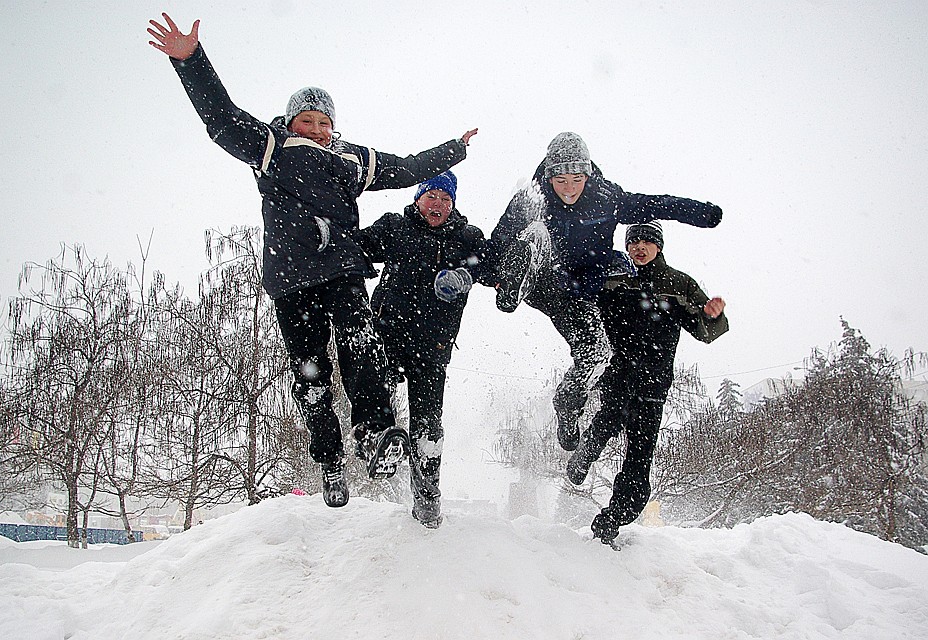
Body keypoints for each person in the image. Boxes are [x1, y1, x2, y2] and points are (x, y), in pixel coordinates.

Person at [147, 14, 478, 509]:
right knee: (312, 373)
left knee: (361, 349)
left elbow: (407, 169)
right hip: (293, 279)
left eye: (325, 122)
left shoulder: (352, 160)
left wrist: (453, 150)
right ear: (292, 121)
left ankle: (374, 434)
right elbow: (221, 119)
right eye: (309, 120)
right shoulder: (274, 148)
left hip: (342, 273)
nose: (319, 129)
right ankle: (329, 462)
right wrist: (190, 61)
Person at [487, 132, 723, 455]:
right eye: (560, 179)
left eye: (576, 179)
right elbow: (496, 243)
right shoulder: (531, 198)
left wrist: (700, 213)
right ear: (549, 175)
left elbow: (654, 204)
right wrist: (492, 277)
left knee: (597, 352)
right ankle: (515, 283)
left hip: (579, 294)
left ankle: (568, 404)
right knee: (537, 233)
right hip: (543, 283)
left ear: (587, 174)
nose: (569, 188)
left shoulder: (605, 196)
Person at [566, 221, 728, 547]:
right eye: (634, 242)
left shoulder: (678, 284)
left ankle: (614, 518)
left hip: (653, 385)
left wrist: (711, 316)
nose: (639, 247)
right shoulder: (614, 278)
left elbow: (704, 331)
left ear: (659, 246)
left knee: (639, 460)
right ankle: (584, 454)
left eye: (646, 242)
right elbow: (578, 300)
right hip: (617, 375)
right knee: (607, 420)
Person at [354, 171, 487, 528]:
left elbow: (488, 263)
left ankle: (427, 498)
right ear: (419, 198)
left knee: (428, 424)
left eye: (446, 200)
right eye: (433, 197)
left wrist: (464, 275)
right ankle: (375, 441)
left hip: (433, 345)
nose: (438, 205)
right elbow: (357, 246)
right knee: (371, 387)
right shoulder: (396, 227)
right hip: (388, 334)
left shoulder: (466, 236)